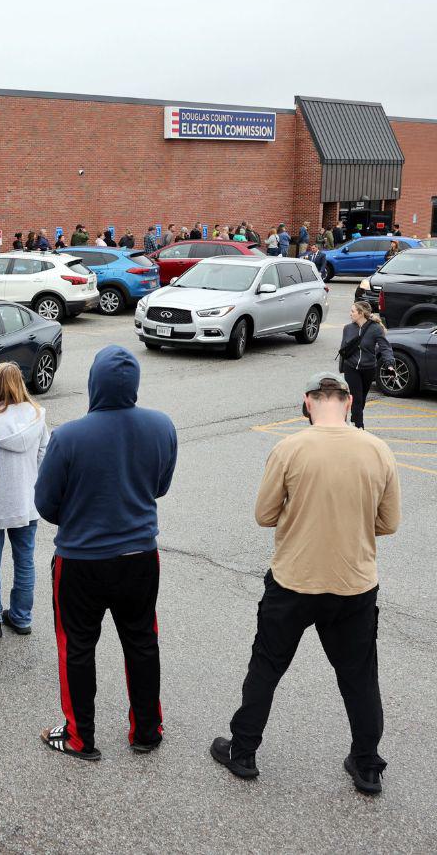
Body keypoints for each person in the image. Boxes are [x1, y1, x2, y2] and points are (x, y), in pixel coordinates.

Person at [211, 373, 400, 796]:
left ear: (308, 402)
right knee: (360, 677)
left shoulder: (289, 449)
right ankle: (367, 764)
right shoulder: (378, 451)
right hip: (353, 584)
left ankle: (243, 751)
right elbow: (388, 523)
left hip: (294, 580)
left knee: (266, 667)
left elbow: (264, 515)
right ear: (349, 402)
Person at [33, 345, 177, 759]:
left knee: (76, 646)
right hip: (139, 556)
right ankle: (147, 730)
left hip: (81, 559)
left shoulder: (69, 437)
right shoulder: (161, 426)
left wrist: (79, 516)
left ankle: (80, 736)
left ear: (95, 383)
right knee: (142, 641)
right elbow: (160, 487)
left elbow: (46, 504)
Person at [0, 362, 50, 638]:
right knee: (25, 560)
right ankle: (21, 617)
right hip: (26, 500)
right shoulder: (37, 415)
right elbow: (45, 455)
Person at [338, 302, 394, 429]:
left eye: (353, 311)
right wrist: (342, 367)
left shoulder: (375, 329)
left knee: (362, 398)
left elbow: (386, 348)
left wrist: (390, 365)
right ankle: (359, 426)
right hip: (351, 367)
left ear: (361, 313)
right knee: (356, 397)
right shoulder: (348, 328)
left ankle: (355, 417)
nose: (350, 314)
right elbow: (343, 350)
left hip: (368, 368)